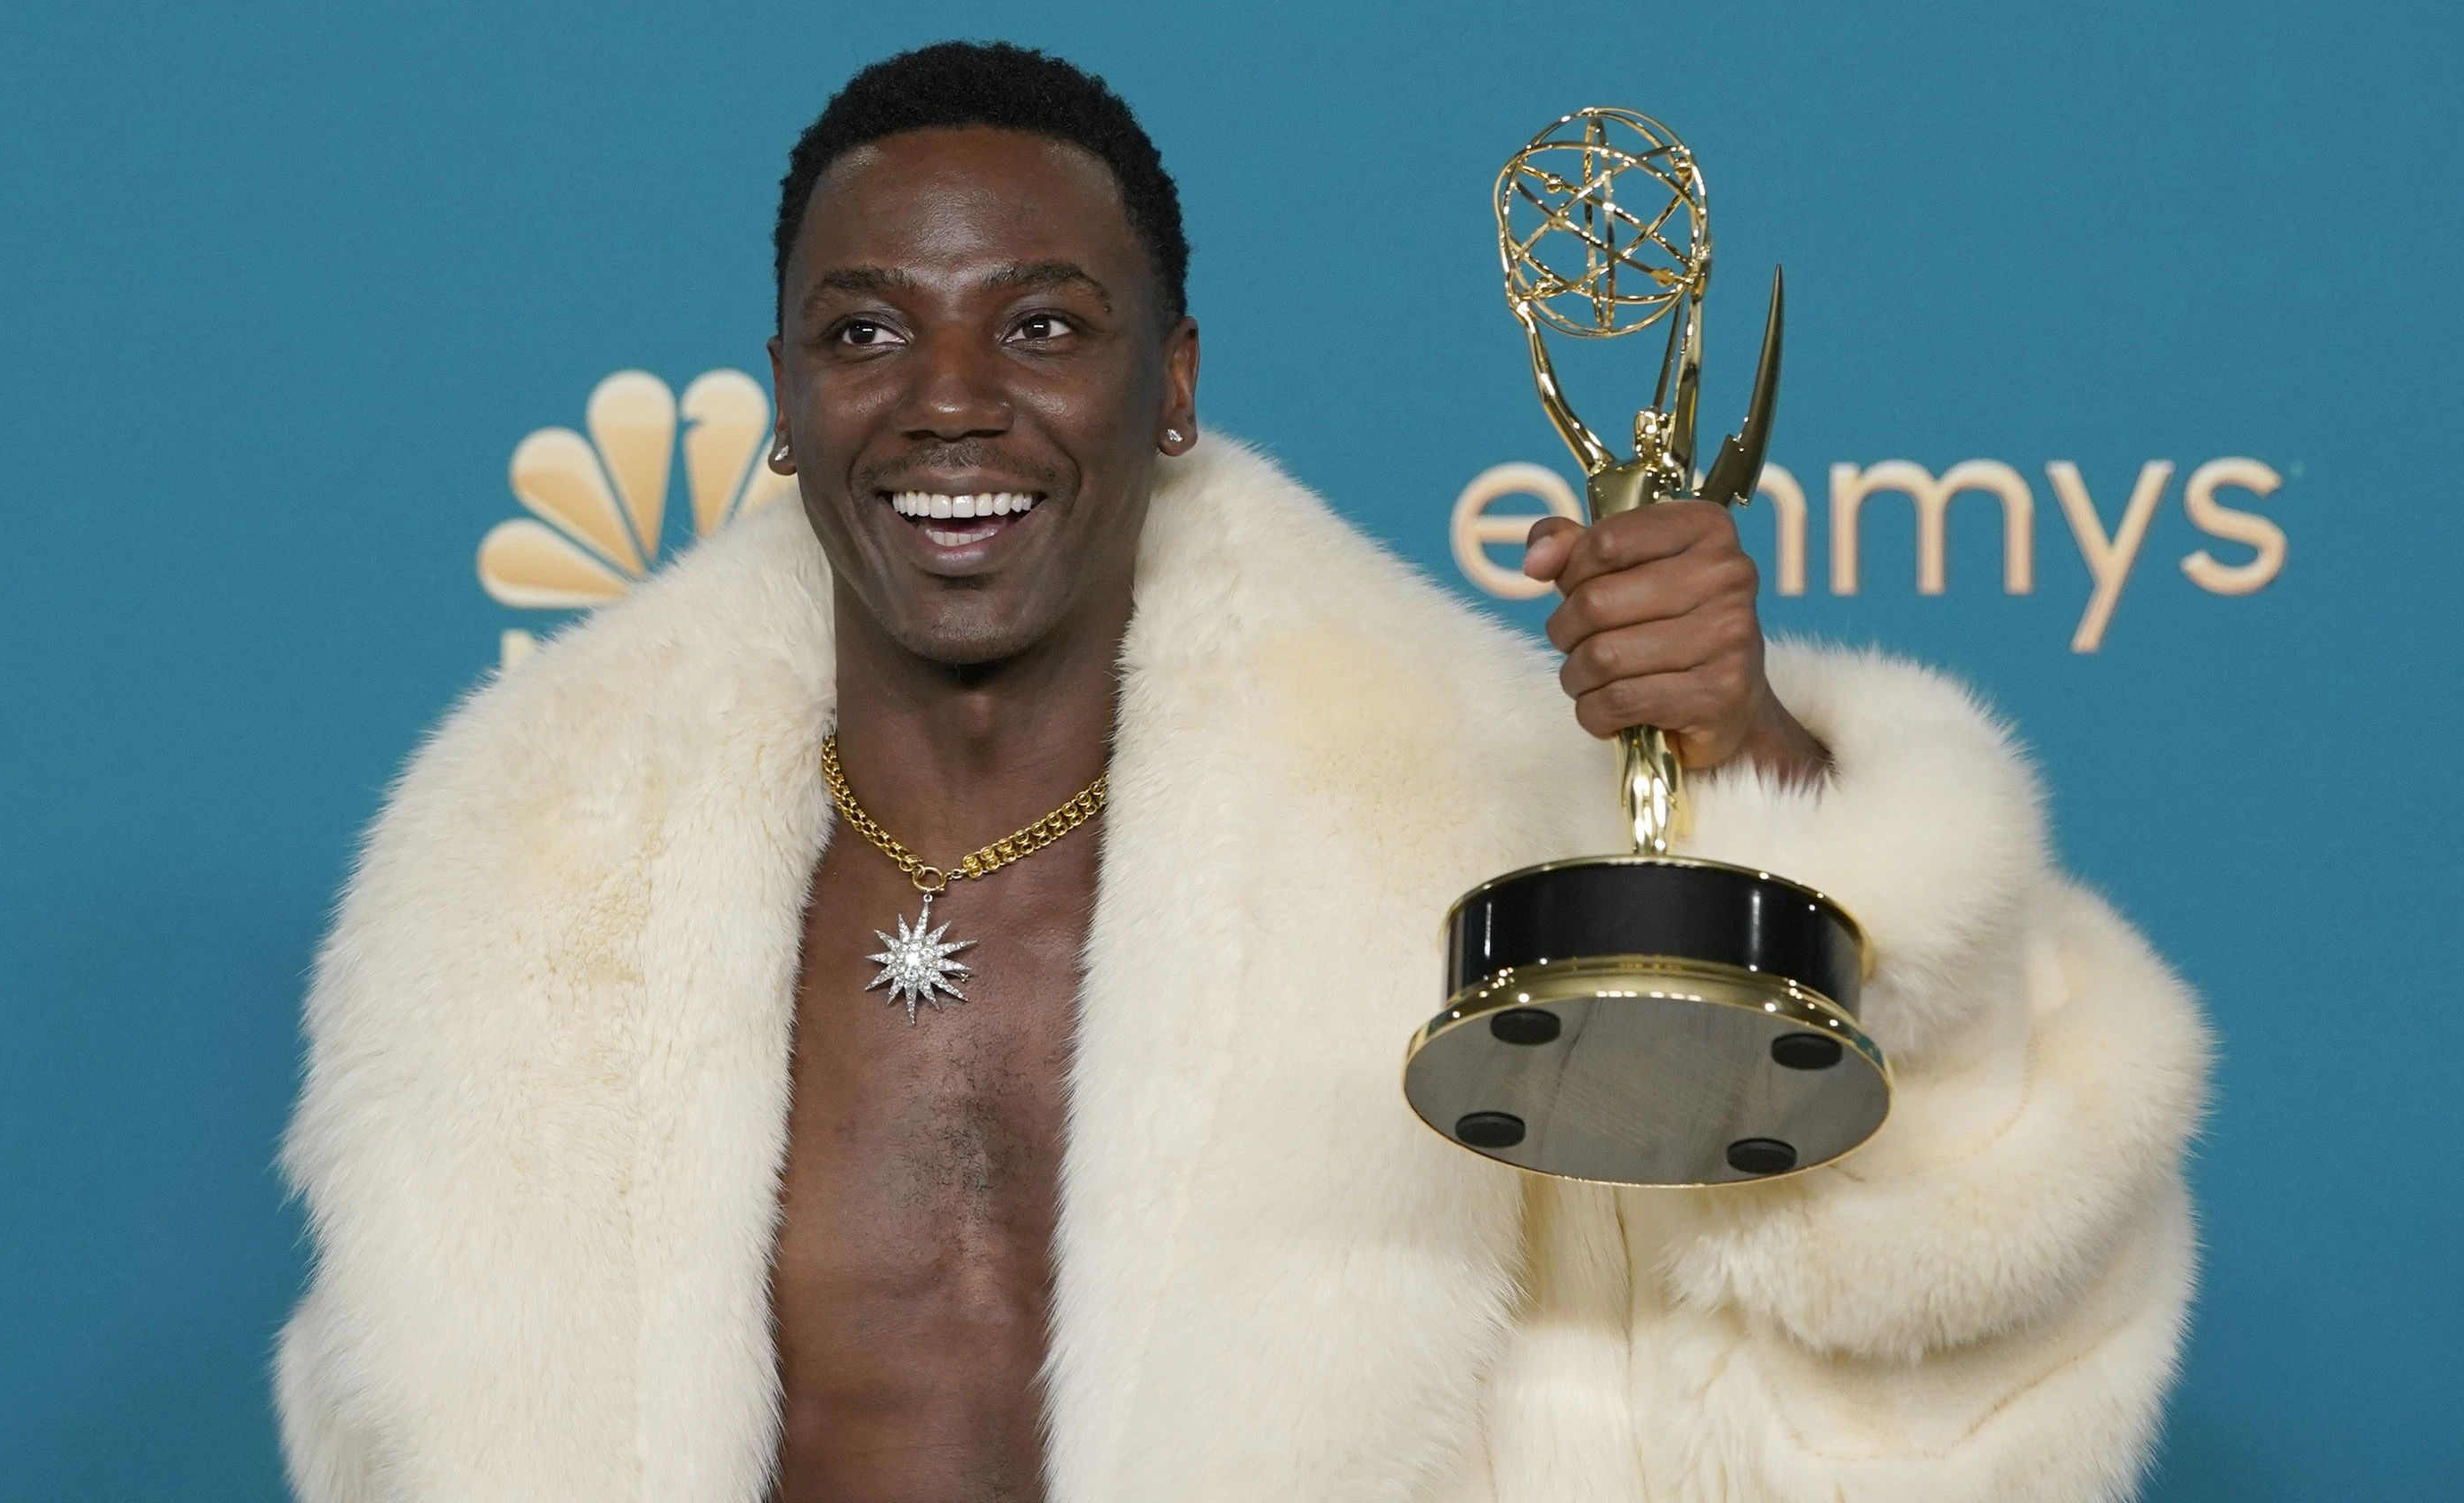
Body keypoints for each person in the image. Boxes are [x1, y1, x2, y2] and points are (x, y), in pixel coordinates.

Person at [274, 41, 2206, 1503]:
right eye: (866, 332)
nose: (951, 400)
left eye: (1043, 325)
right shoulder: (521, 886)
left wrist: (1754, 768)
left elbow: (1935, 1284)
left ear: (1172, 383)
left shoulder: (1459, 820)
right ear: (785, 395)